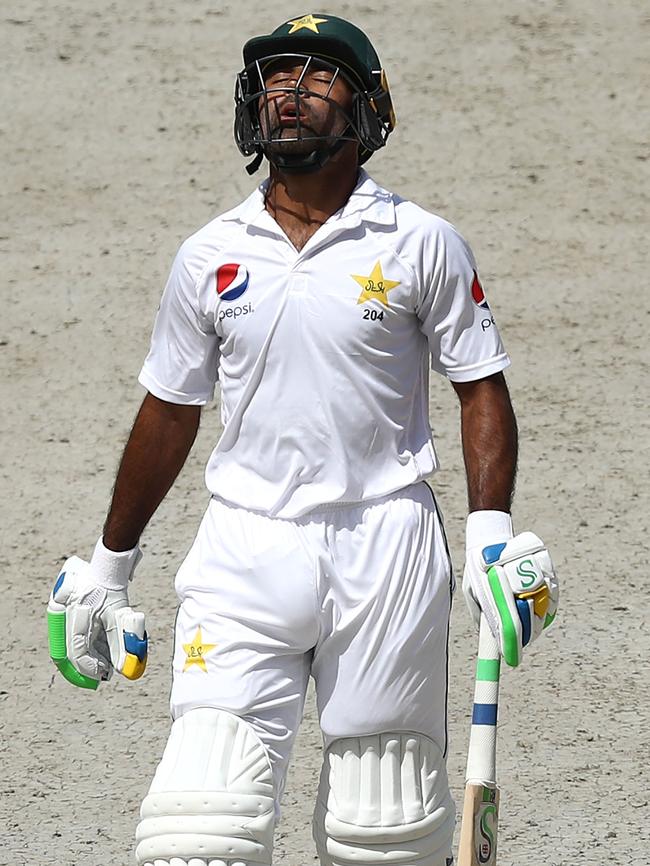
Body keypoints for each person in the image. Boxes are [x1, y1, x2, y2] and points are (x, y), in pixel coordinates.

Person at [47, 13, 558, 866]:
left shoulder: (419, 241)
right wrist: (108, 568)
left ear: (367, 108)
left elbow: (480, 389)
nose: (292, 91)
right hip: (243, 547)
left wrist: (492, 542)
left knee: (384, 832)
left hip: (385, 543)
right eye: (278, 76)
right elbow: (169, 412)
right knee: (195, 835)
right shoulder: (208, 254)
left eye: (319, 76)